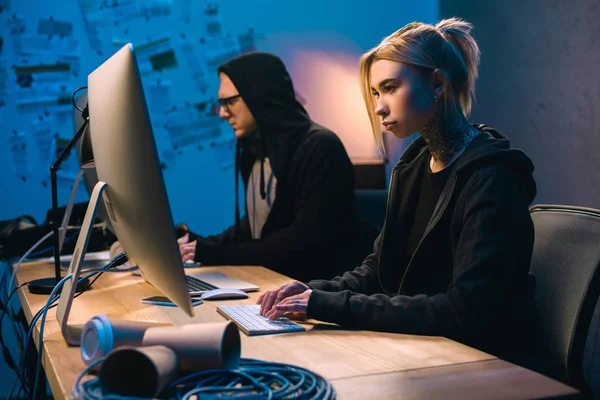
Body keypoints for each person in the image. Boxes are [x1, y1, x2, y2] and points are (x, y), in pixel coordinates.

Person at [257, 18, 542, 366]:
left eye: (390, 88)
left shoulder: (493, 178)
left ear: (436, 84)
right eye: (376, 93)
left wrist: (330, 306)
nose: (378, 106)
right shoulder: (413, 166)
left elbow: (465, 310)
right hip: (430, 348)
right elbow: (380, 268)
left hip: (489, 362)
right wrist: (315, 292)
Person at [178, 52, 363, 282]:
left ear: (259, 95)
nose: (223, 113)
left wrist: (214, 253)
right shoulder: (253, 152)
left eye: (230, 101)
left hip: (314, 292)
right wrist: (195, 243)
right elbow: (254, 227)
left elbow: (304, 242)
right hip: (272, 284)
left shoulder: (320, 147)